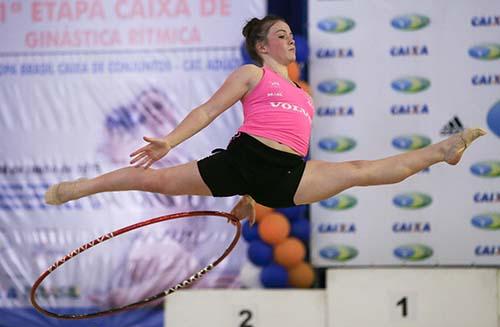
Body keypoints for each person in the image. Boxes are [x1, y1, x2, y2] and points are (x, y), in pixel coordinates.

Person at [45, 15, 487, 224]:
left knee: (358, 171)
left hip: (284, 176)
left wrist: (252, 199)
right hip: (242, 160)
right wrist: (169, 142)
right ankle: (77, 189)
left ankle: (443, 149)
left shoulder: (303, 94)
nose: (289, 40)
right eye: (281, 36)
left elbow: (292, 144)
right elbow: (207, 111)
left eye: (290, 36)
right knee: (154, 180)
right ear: (262, 46)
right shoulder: (252, 74)